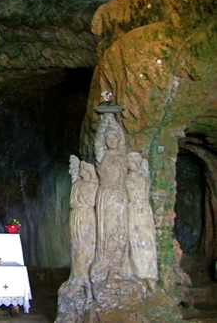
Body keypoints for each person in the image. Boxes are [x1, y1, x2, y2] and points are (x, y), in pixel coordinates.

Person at [91, 113, 130, 284]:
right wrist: (106, 120)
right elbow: (97, 143)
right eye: (109, 138)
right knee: (107, 230)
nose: (112, 140)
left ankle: (118, 266)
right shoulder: (102, 155)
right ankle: (106, 265)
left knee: (121, 230)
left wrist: (113, 121)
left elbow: (122, 139)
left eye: (115, 138)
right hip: (106, 194)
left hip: (120, 193)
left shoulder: (122, 155)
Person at [126, 152, 158, 289]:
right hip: (132, 211)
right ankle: (138, 273)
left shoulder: (144, 178)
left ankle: (150, 274)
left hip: (144, 212)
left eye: (136, 161)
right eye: (131, 160)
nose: (133, 163)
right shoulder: (125, 180)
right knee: (134, 241)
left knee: (148, 242)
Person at [68, 156, 98, 304]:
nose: (81, 172)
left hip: (86, 216)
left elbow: (91, 200)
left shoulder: (92, 185)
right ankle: (77, 278)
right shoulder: (77, 184)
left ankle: (85, 281)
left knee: (85, 248)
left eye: (83, 170)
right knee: (75, 247)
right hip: (75, 216)